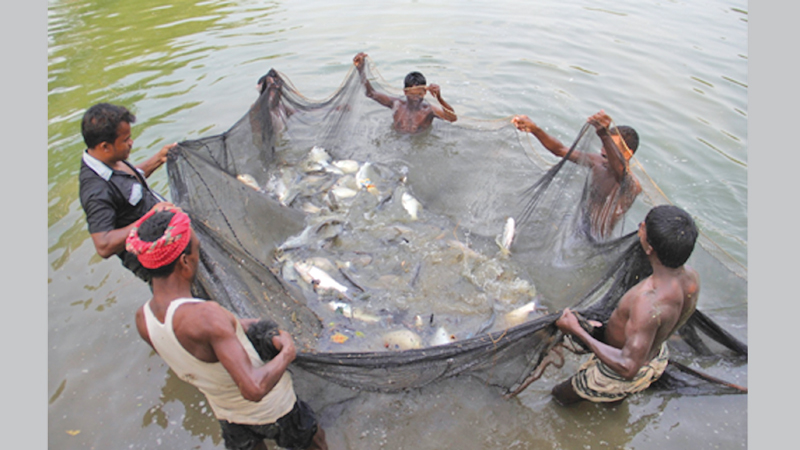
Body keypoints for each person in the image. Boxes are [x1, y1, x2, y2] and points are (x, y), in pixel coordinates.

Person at [128, 207, 328, 450]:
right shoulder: (207, 316)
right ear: (184, 261)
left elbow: (196, 349)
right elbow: (254, 388)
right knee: (314, 441)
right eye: (197, 250)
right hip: (273, 410)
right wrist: (287, 352)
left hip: (228, 414)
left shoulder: (144, 318)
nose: (198, 256)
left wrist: (239, 326)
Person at [551, 204, 700, 405]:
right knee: (614, 399)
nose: (640, 226)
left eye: (644, 227)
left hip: (620, 371)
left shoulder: (647, 302)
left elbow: (628, 367)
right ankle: (615, 404)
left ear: (650, 248)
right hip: (656, 356)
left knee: (559, 398)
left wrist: (576, 330)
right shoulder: (691, 279)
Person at [78, 102, 177, 283]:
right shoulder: (95, 190)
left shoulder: (110, 159)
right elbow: (104, 244)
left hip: (167, 236)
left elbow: (127, 182)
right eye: (125, 140)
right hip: (155, 261)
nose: (131, 143)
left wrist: (158, 159)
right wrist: (151, 218)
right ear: (105, 146)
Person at [512, 110, 641, 240]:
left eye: (610, 147)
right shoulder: (598, 162)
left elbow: (620, 171)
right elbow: (560, 150)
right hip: (578, 223)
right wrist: (535, 129)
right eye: (604, 145)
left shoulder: (632, 185)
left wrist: (604, 135)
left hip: (595, 238)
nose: (603, 150)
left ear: (627, 154)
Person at [353, 52, 457, 134]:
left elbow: (452, 118)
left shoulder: (429, 110)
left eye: (419, 94)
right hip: (397, 142)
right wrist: (361, 70)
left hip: (418, 144)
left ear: (425, 92)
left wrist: (439, 98)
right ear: (405, 92)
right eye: (412, 95)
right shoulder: (397, 104)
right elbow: (370, 93)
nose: (416, 98)